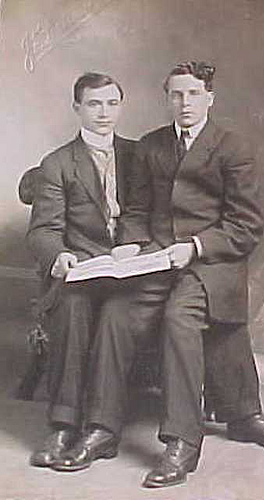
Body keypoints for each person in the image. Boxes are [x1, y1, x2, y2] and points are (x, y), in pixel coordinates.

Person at [50, 61, 264, 486]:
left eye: (194, 94)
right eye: (177, 95)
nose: (185, 103)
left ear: (210, 99)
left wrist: (197, 247)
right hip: (157, 261)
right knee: (116, 313)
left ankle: (182, 442)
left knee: (178, 320)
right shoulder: (152, 146)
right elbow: (139, 211)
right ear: (167, 99)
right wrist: (130, 243)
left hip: (209, 266)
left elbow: (246, 225)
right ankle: (102, 429)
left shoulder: (232, 148)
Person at [26, 72, 137, 467]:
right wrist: (58, 255)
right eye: (93, 104)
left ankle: (101, 431)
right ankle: (62, 425)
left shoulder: (139, 156)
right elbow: (43, 230)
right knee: (73, 306)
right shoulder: (57, 163)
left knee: (117, 315)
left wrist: (139, 251)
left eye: (111, 103)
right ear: (77, 108)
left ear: (121, 107)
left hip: (133, 275)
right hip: (83, 271)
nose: (103, 113)